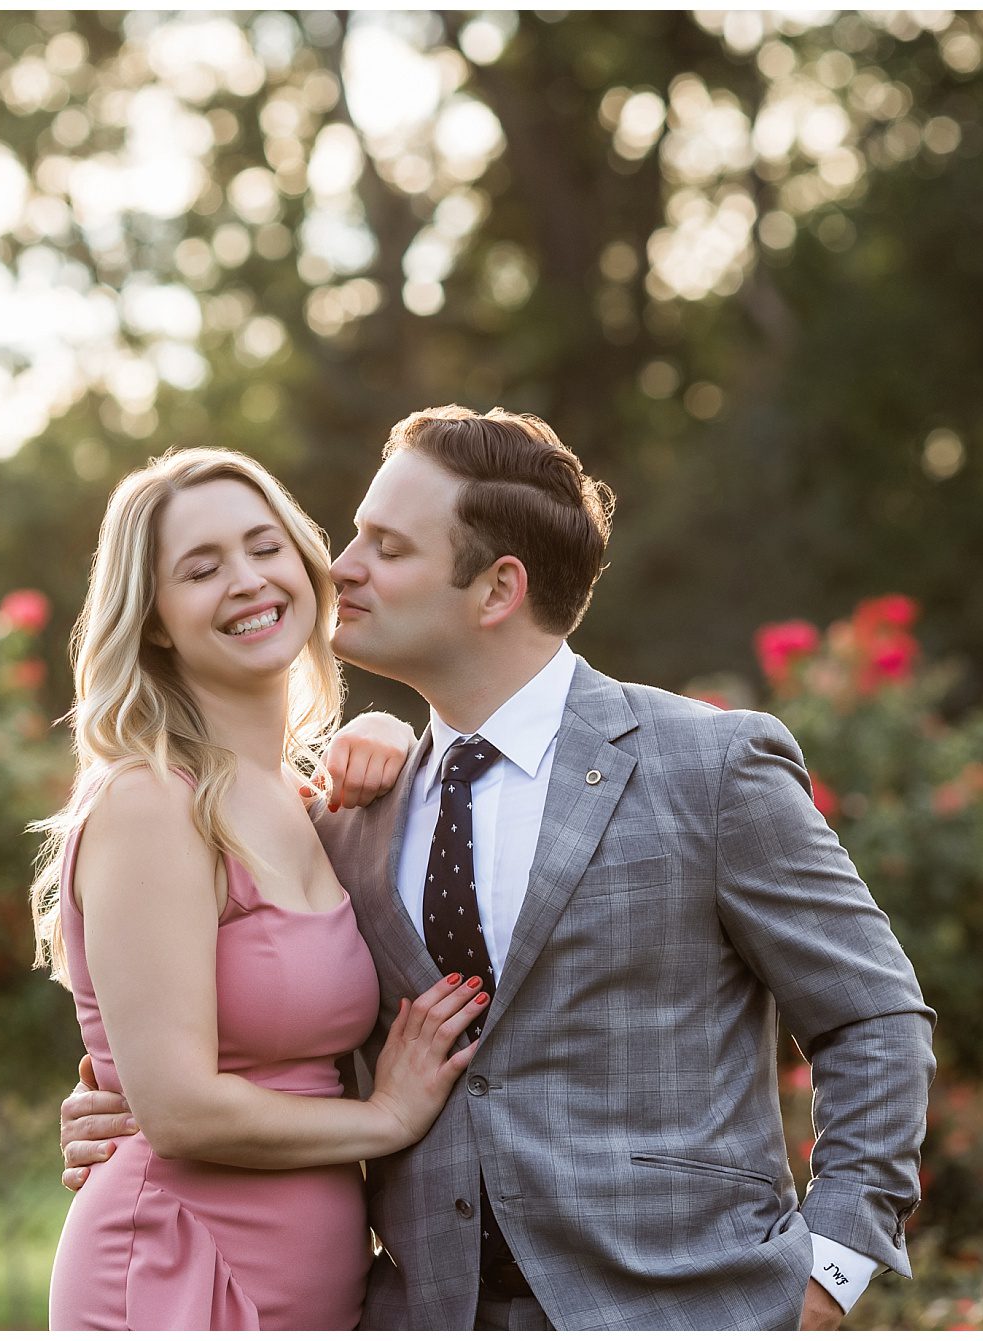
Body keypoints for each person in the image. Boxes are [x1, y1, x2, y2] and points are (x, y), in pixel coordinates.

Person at [60, 407, 937, 1330]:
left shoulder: (708, 767)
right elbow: (252, 1034)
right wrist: (122, 1106)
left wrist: (827, 1271)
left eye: (386, 547)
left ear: (496, 590)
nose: (340, 566)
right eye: (350, 534)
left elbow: (873, 1015)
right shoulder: (352, 819)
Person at [30, 445, 491, 1330]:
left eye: (263, 545)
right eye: (201, 569)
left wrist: (397, 738)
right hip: (177, 1265)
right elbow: (178, 1110)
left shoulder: (306, 801)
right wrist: (386, 1119)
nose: (246, 580)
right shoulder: (150, 800)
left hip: (309, 1284)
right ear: (156, 619)